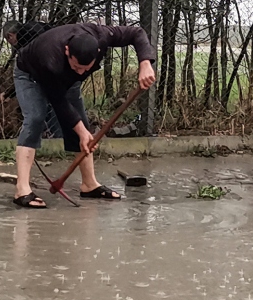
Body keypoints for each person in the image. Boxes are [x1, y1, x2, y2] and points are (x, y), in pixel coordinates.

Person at [12, 23, 156, 208]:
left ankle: (89, 185)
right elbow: (58, 101)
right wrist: (80, 131)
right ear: (67, 51)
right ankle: (21, 189)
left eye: (85, 68)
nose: (80, 72)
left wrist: (145, 63)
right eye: (76, 66)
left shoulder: (102, 37)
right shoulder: (49, 57)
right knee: (35, 118)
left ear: (98, 51)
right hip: (30, 75)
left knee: (82, 125)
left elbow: (136, 32)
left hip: (66, 80)